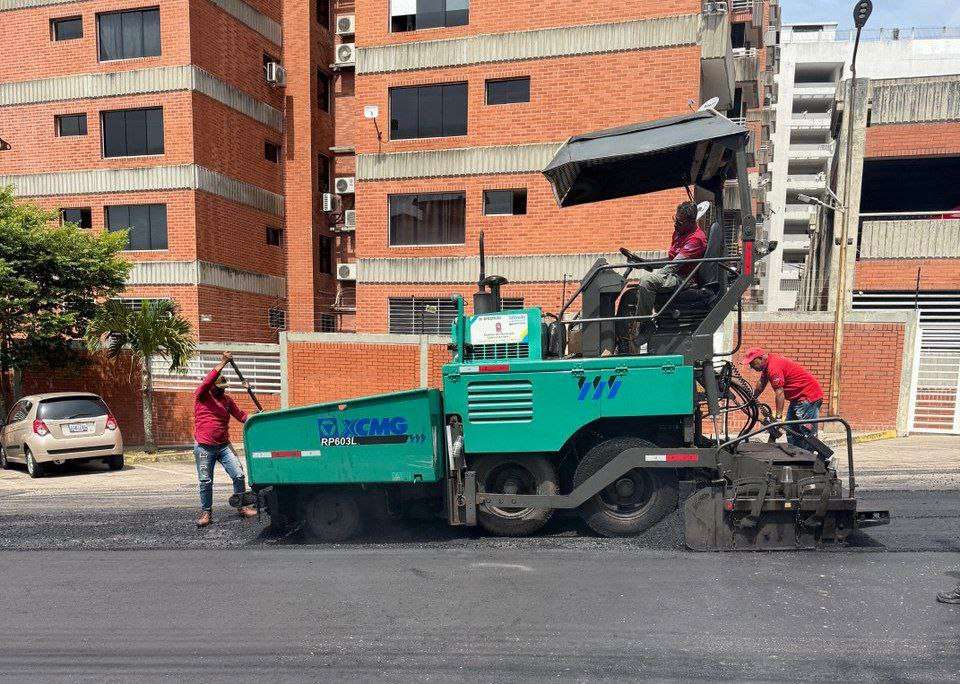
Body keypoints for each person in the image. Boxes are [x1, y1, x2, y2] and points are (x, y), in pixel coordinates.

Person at [615, 201, 709, 352]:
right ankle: (623, 343)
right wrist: (647, 263)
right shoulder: (679, 232)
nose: (675, 224)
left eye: (679, 221)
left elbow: (674, 266)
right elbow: (670, 259)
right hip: (675, 274)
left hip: (684, 279)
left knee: (647, 281)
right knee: (631, 294)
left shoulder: (696, 239)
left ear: (691, 222)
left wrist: (653, 276)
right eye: (675, 219)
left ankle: (646, 325)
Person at [193, 351, 258, 527]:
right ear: (212, 386)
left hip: (223, 446)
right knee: (206, 481)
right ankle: (206, 512)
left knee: (238, 474)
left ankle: (242, 508)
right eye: (220, 387)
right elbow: (207, 381)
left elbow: (241, 416)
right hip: (204, 447)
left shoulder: (227, 401)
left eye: (224, 387)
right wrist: (223, 362)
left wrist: (258, 417)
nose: (223, 389)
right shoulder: (202, 396)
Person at [743, 347, 824, 448]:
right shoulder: (767, 365)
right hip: (797, 399)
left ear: (760, 358)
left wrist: (778, 418)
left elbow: (780, 393)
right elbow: (761, 384)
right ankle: (796, 456)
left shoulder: (773, 367)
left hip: (808, 398)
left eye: (752, 363)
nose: (751, 367)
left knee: (806, 431)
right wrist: (752, 399)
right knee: (791, 429)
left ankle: (811, 458)